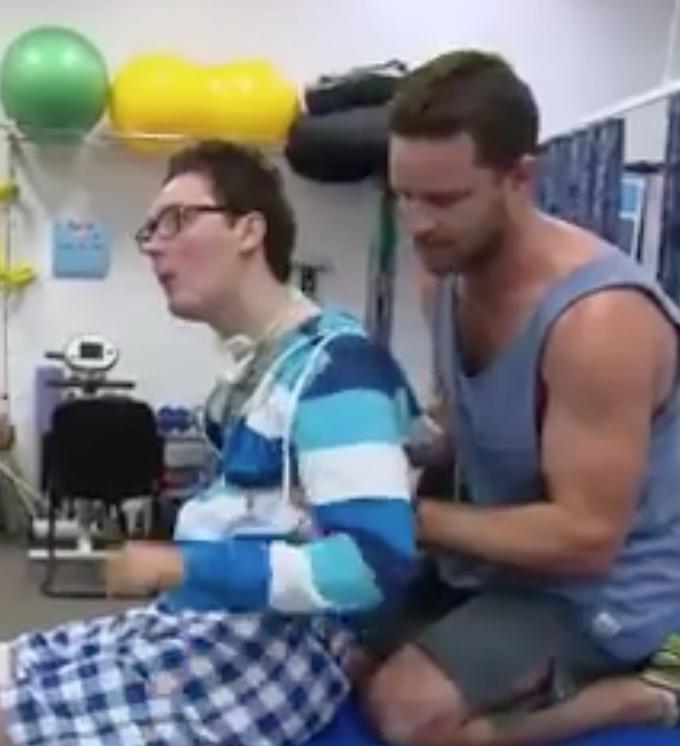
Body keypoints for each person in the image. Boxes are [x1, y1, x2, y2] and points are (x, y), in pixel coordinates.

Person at [0, 141, 418, 746]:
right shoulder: (260, 369)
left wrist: (185, 563)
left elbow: (373, 567)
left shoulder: (336, 369)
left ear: (249, 231)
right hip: (199, 624)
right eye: (150, 230)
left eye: (176, 220)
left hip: (266, 650)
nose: (154, 247)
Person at [359, 50, 680, 746]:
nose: (417, 223)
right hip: (496, 561)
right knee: (321, 647)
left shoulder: (598, 323)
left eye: (444, 200)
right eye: (404, 195)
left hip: (598, 591)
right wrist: (367, 453)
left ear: (519, 178)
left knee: (408, 713)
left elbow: (586, 539)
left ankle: (636, 697)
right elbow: (465, 423)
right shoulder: (444, 274)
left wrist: (409, 515)